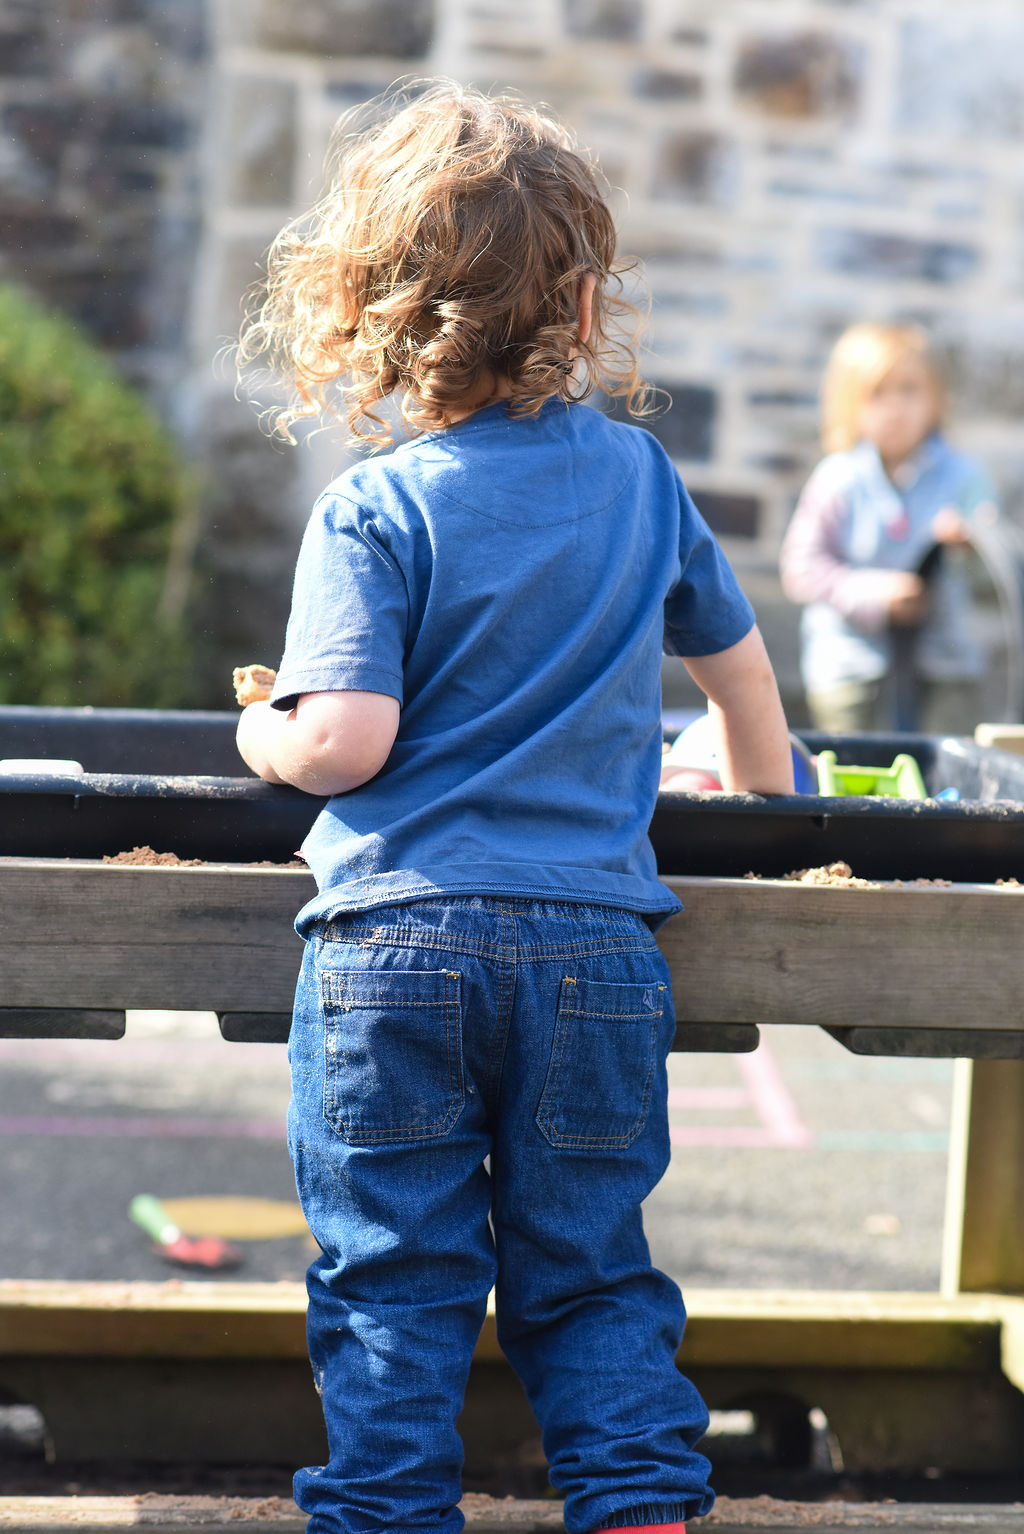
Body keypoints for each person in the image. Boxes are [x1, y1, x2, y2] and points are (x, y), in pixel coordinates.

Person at [234, 80, 793, 1534]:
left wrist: (262, 728)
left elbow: (345, 741)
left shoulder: (377, 506)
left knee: (395, 1273)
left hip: (399, 946)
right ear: (587, 302)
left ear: (366, 308)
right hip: (595, 949)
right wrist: (764, 801)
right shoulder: (641, 477)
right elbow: (743, 679)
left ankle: (388, 1513)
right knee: (590, 1266)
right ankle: (638, 1506)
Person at [779, 321, 999, 734]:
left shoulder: (964, 480)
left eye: (909, 390)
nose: (895, 406)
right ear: (850, 404)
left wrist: (971, 546)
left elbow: (995, 577)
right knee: (858, 767)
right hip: (851, 667)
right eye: (878, 393)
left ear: (935, 398)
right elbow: (801, 568)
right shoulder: (837, 479)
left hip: (944, 666)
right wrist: (875, 594)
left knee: (944, 769)